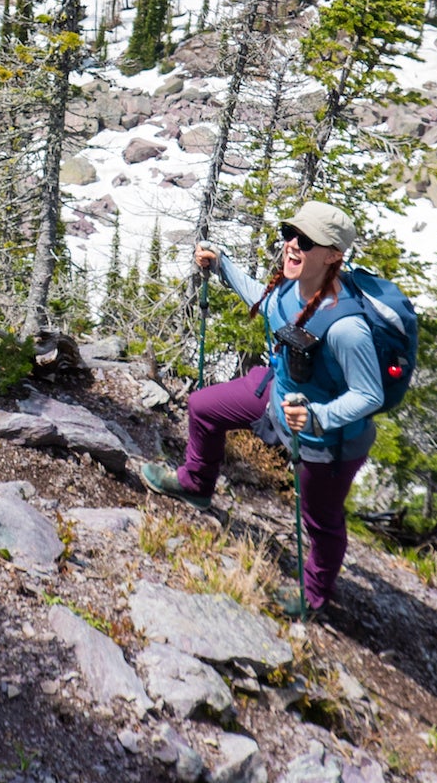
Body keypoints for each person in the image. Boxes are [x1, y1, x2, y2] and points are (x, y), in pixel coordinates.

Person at [136, 201, 379, 617]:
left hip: (329, 440)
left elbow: (369, 395)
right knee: (203, 406)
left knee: (320, 520)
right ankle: (196, 484)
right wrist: (222, 263)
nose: (291, 246)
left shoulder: (347, 327)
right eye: (289, 234)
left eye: (305, 241)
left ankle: (313, 596)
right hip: (275, 395)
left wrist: (321, 417)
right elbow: (262, 300)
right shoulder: (290, 286)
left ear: (335, 255)